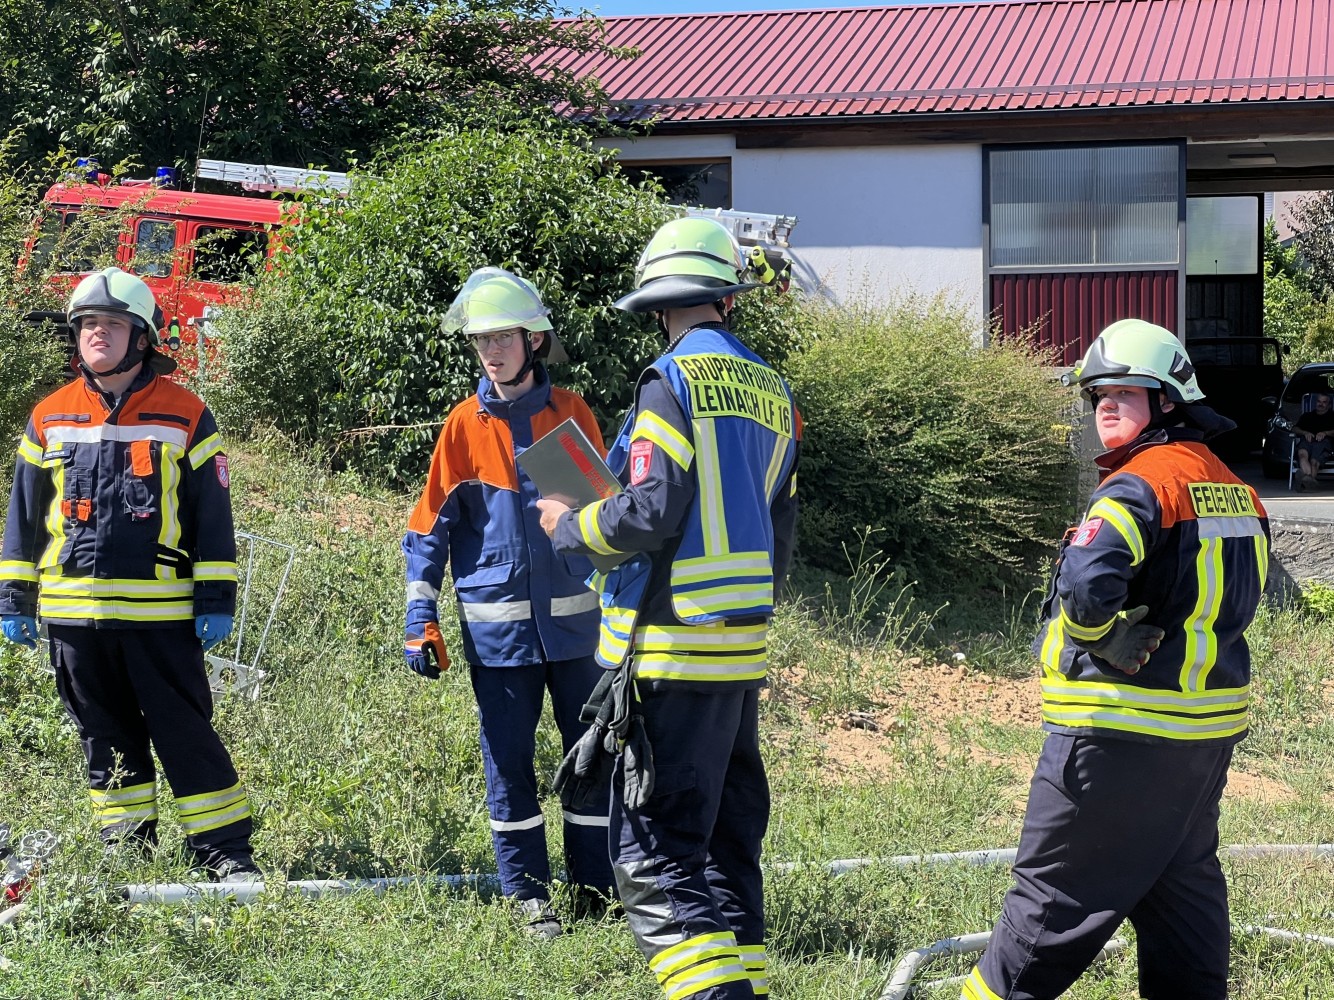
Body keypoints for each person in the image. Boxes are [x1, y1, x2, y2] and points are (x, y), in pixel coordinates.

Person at [961, 319, 1269, 1000]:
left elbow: (1085, 583)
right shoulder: (1237, 490)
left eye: (1124, 393)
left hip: (1113, 736)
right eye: (1098, 394)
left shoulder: (1138, 485)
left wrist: (1098, 636)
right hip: (1202, 742)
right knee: (1181, 903)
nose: (1105, 405)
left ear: (1168, 401)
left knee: (1044, 910)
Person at [537, 217, 800, 999]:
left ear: (658, 306)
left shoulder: (669, 380)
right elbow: (780, 525)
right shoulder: (773, 390)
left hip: (671, 653)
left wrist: (573, 526)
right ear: (727, 296)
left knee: (654, 859)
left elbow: (652, 508)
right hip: (738, 656)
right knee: (724, 852)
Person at [0, 267, 257, 882]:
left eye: (113, 324)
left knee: (184, 733)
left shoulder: (185, 413)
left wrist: (215, 597)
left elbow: (211, 516)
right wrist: (13, 597)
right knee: (103, 735)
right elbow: (23, 518)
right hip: (73, 616)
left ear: (142, 337)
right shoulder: (49, 416)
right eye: (88, 323)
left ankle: (223, 852)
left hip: (161, 616)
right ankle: (126, 850)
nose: (98, 333)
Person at [401, 267, 614, 939]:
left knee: (591, 758)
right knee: (509, 765)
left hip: (579, 634)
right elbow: (427, 529)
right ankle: (528, 897)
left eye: (502, 338)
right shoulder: (463, 426)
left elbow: (610, 520)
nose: (491, 351)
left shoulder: (570, 414)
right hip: (500, 640)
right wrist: (419, 616)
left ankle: (595, 890)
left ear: (533, 340)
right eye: (481, 340)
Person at [1294, 390, 1334, 490]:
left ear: (1329, 405)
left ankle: (1305, 481)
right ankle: (1309, 481)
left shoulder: (1333, 416)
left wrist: (1325, 433)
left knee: (1314, 461)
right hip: (1307, 441)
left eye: (1324, 402)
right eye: (1319, 401)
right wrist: (1305, 432)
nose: (1321, 404)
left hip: (1324, 443)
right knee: (1302, 454)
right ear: (1315, 403)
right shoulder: (1307, 416)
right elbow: (1294, 429)